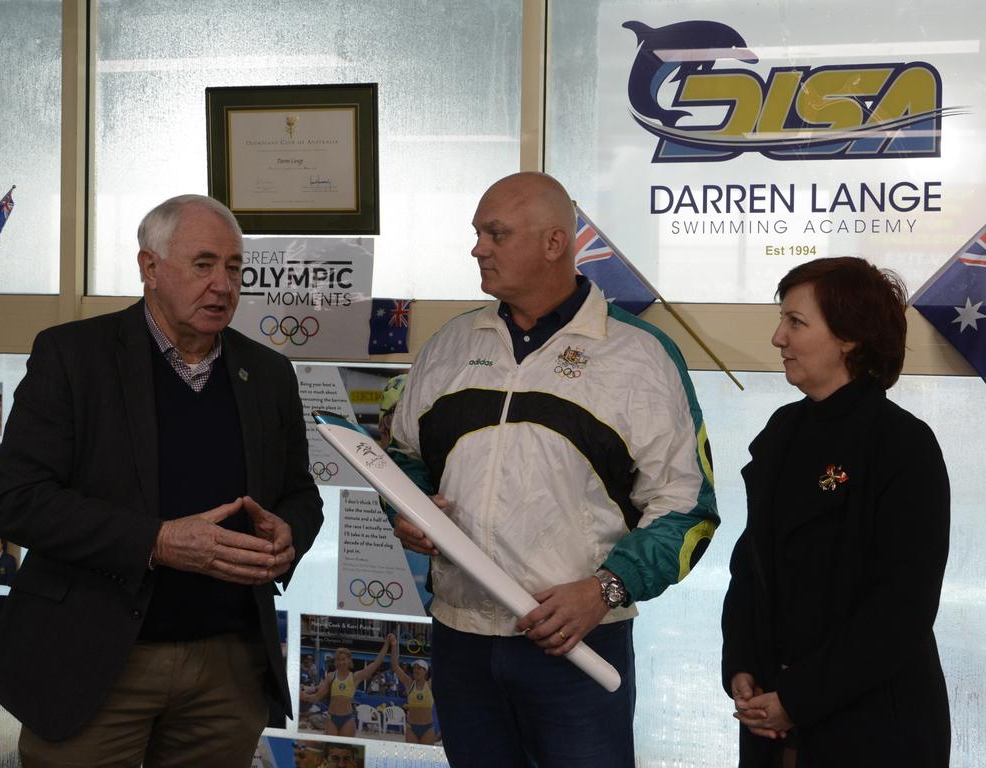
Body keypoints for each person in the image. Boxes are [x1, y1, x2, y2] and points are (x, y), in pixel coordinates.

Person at [0, 194, 324, 767]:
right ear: (150, 268)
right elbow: (19, 502)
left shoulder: (267, 372)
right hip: (96, 656)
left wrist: (289, 534)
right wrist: (156, 541)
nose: (222, 285)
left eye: (235, 268)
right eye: (204, 264)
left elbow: (298, 492)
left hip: (227, 665)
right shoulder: (72, 357)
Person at [388, 171, 718, 767]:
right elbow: (404, 459)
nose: (478, 247)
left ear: (553, 243)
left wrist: (604, 590)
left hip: (579, 645)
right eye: (477, 233)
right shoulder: (451, 344)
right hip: (459, 637)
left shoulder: (638, 354)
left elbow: (688, 508)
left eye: (496, 233)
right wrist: (409, 512)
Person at [721, 257, 950, 768]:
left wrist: (797, 699)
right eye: (781, 320)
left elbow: (902, 607)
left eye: (796, 322)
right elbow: (750, 564)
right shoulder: (782, 430)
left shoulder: (902, 443)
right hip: (770, 717)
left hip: (872, 725)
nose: (779, 337)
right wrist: (741, 665)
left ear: (849, 338)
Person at [301, 636, 391, 737]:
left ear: (349, 660)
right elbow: (318, 696)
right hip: (332, 718)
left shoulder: (354, 677)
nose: (341, 662)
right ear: (335, 661)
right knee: (330, 748)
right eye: (338, 660)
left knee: (346, 749)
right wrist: (304, 696)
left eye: (343, 659)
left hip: (347, 718)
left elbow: (376, 663)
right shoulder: (331, 676)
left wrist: (387, 643)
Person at [389, 634, 437, 745]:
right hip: (412, 727)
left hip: (427, 727)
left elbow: (442, 666)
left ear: (425, 671)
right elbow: (395, 666)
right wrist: (394, 646)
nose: (416, 670)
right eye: (414, 668)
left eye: (419, 668)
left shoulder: (430, 685)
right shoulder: (409, 684)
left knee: (425, 760)